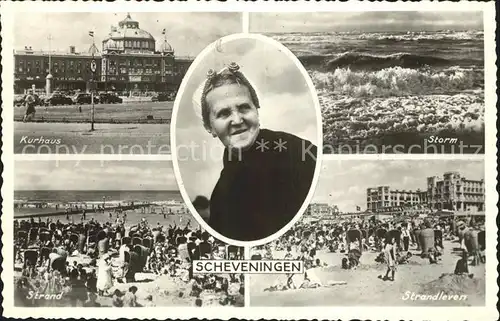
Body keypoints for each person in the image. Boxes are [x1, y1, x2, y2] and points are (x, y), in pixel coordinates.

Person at [198, 62, 317, 241]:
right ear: (210, 127)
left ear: (257, 110)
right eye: (223, 113)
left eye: (244, 108)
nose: (237, 120)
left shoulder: (299, 154)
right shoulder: (221, 191)